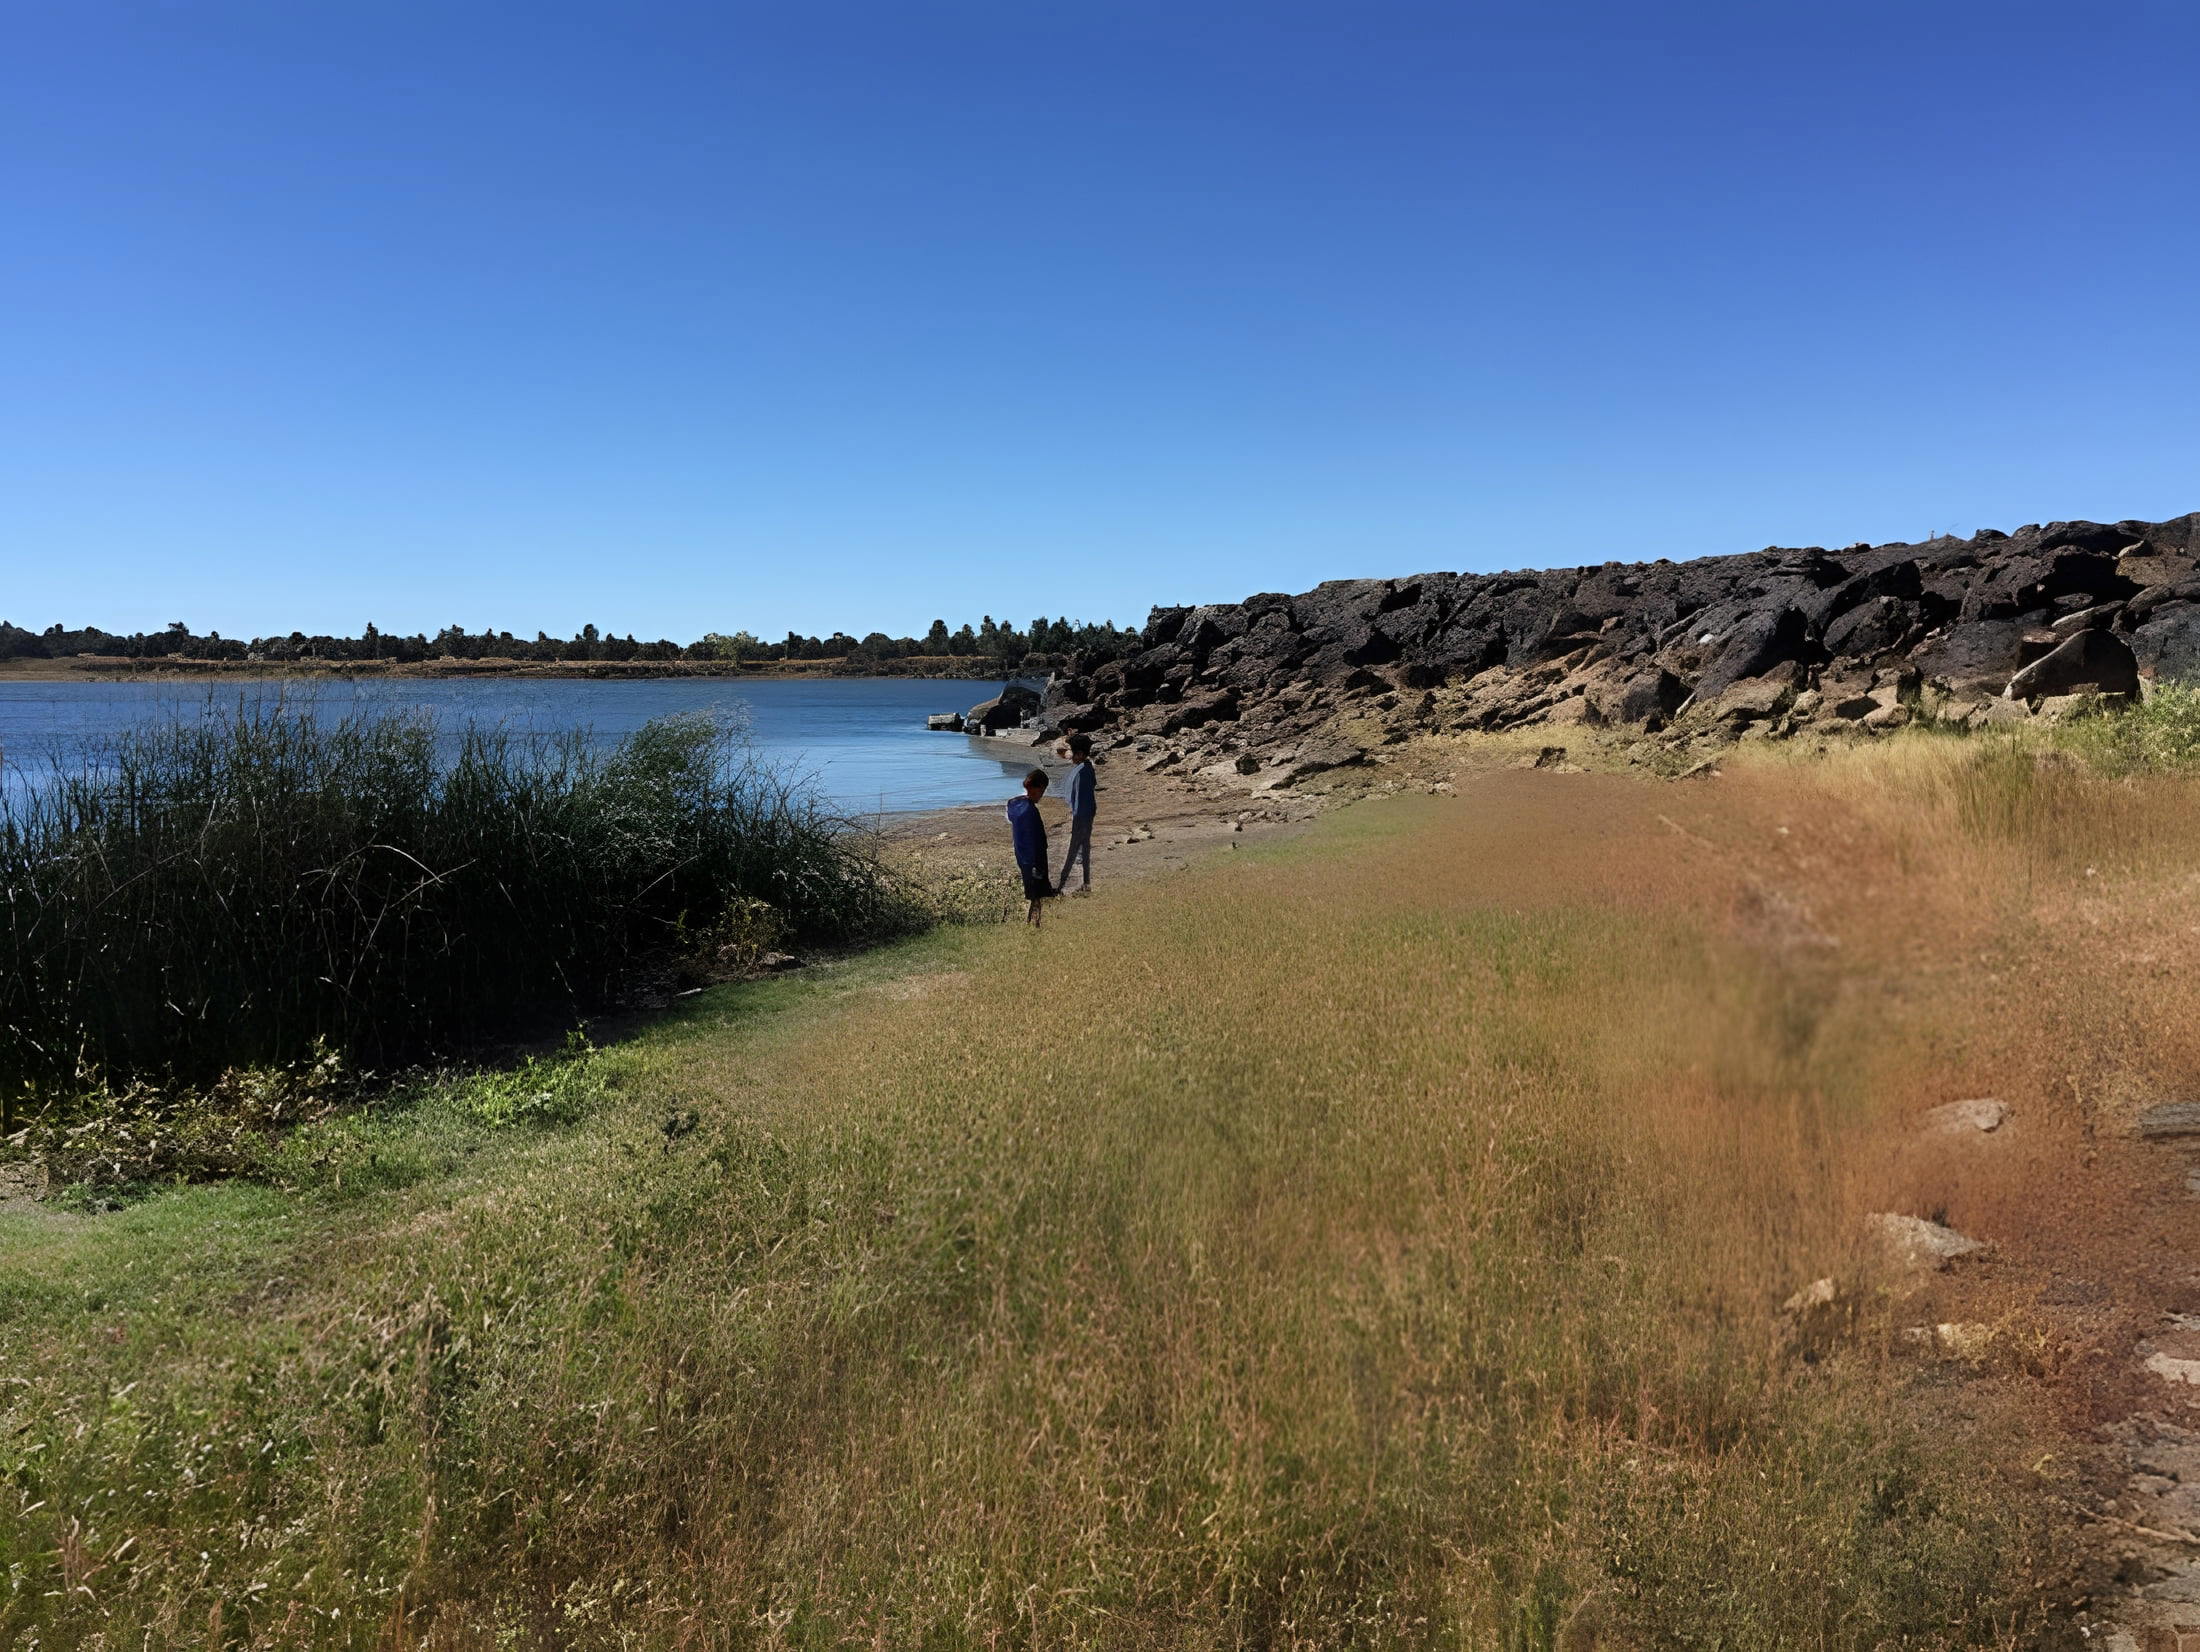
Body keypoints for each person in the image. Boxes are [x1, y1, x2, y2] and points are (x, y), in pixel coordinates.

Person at [1005, 768, 1054, 926]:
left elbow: (1010, 807)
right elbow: (1034, 841)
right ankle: (1034, 924)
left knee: (1033, 894)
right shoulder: (1030, 811)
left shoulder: (1016, 805)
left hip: (1022, 857)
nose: (1042, 794)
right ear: (1037, 788)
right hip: (1034, 859)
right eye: (1042, 790)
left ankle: (1032, 923)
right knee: (1036, 895)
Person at [1055, 733, 1097, 895]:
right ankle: (1085, 884)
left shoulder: (1082, 773)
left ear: (1079, 754)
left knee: (1073, 852)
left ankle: (1061, 887)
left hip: (1082, 817)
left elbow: (1081, 799)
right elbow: (1065, 754)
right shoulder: (1086, 766)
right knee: (1082, 850)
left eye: (1072, 751)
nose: (1069, 754)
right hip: (1085, 814)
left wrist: (1077, 819)